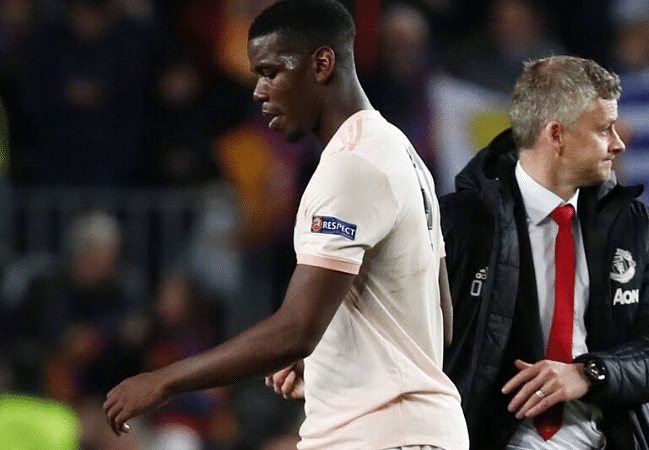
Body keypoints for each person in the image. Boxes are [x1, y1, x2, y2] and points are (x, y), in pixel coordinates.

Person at [103, 1, 469, 450]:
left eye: (271, 72)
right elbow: (440, 321)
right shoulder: (402, 153)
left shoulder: (351, 164)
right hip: (412, 431)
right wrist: (331, 356)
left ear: (322, 63)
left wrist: (163, 381)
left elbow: (295, 331)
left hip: (382, 436)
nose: (258, 90)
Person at [440, 55, 649, 450]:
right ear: (555, 135)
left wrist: (589, 373)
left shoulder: (629, 224)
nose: (618, 143)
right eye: (604, 129)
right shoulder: (460, 225)